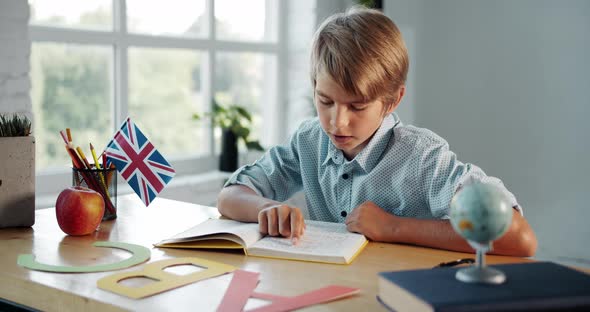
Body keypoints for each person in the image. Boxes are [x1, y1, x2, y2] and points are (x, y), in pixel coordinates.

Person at [217, 6, 537, 257]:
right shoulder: (309, 140)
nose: (336, 122)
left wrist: (393, 227)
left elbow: (520, 238)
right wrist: (267, 208)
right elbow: (230, 196)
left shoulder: (422, 157)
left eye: (357, 107)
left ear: (392, 100)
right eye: (325, 100)